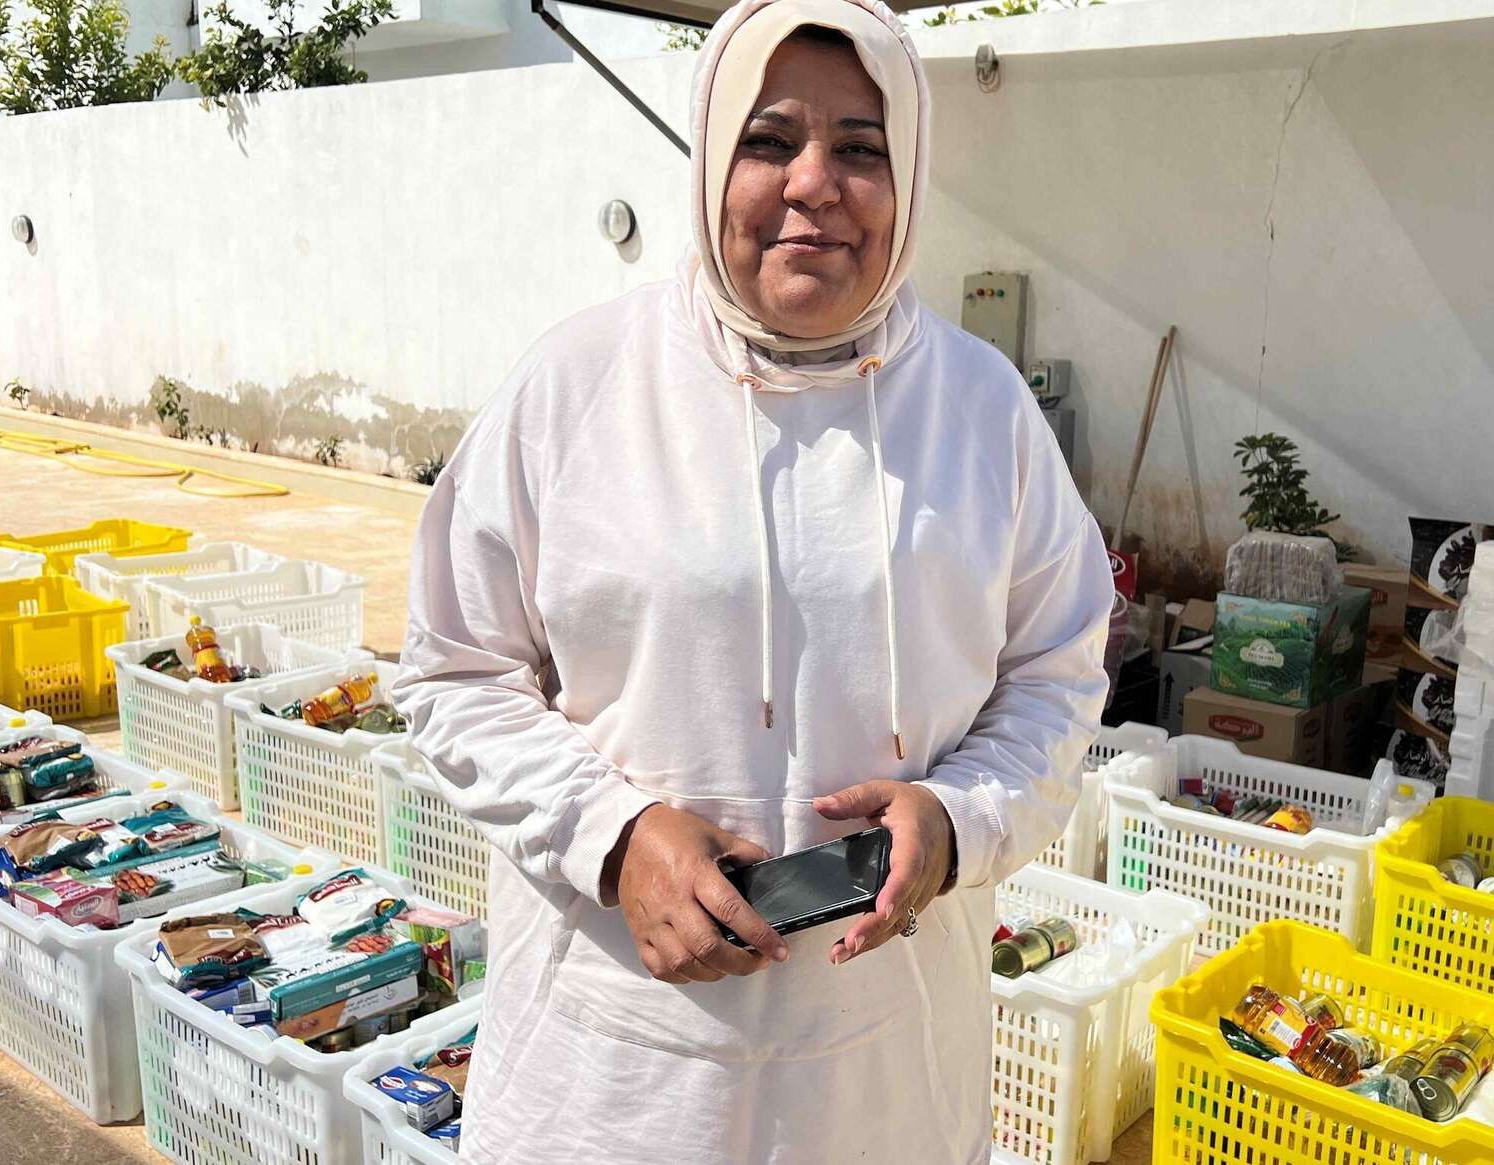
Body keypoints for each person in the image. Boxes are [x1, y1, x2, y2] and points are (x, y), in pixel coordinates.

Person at [393, 0, 1113, 1158]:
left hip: (883, 1079)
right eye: (768, 141)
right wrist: (613, 836)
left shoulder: (984, 413)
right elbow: (451, 667)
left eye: (861, 148)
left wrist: (957, 818)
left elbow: (1056, 675)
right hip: (617, 1074)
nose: (814, 184)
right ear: (710, 160)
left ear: (910, 176)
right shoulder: (576, 388)